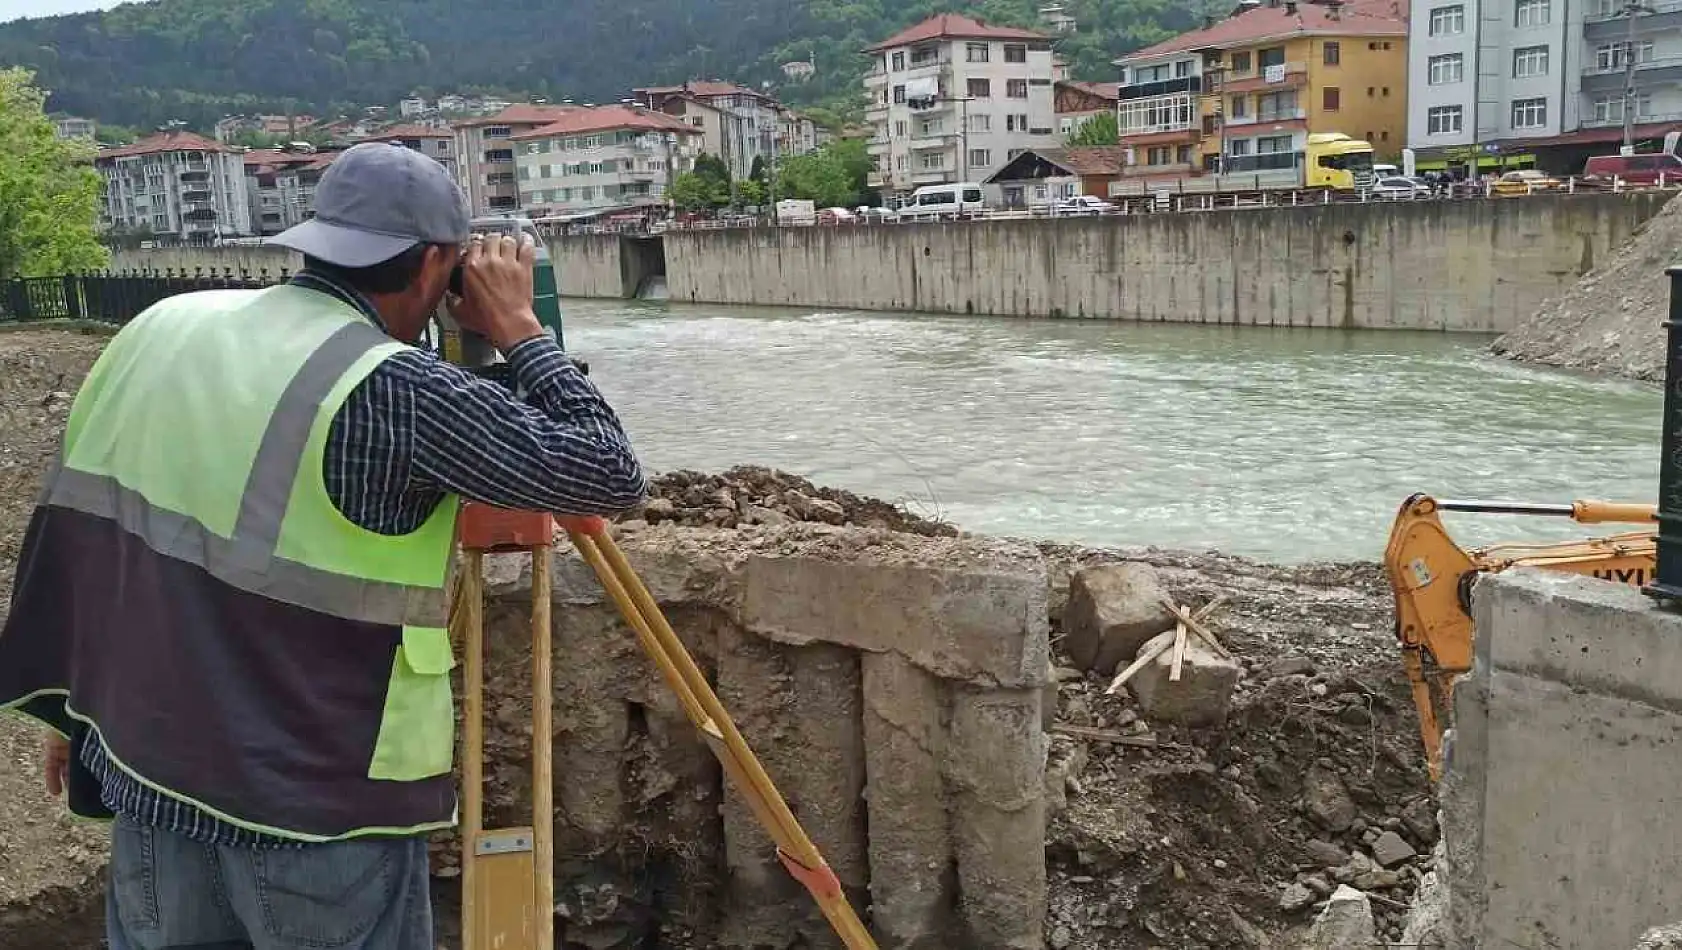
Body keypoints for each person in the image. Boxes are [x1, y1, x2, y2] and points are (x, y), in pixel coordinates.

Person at [0, 141, 648, 949]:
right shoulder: (397, 390)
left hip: (145, 767)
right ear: (439, 266)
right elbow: (609, 474)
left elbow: (94, 538)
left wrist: (73, 716)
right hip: (314, 813)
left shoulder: (159, 329)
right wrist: (519, 328)